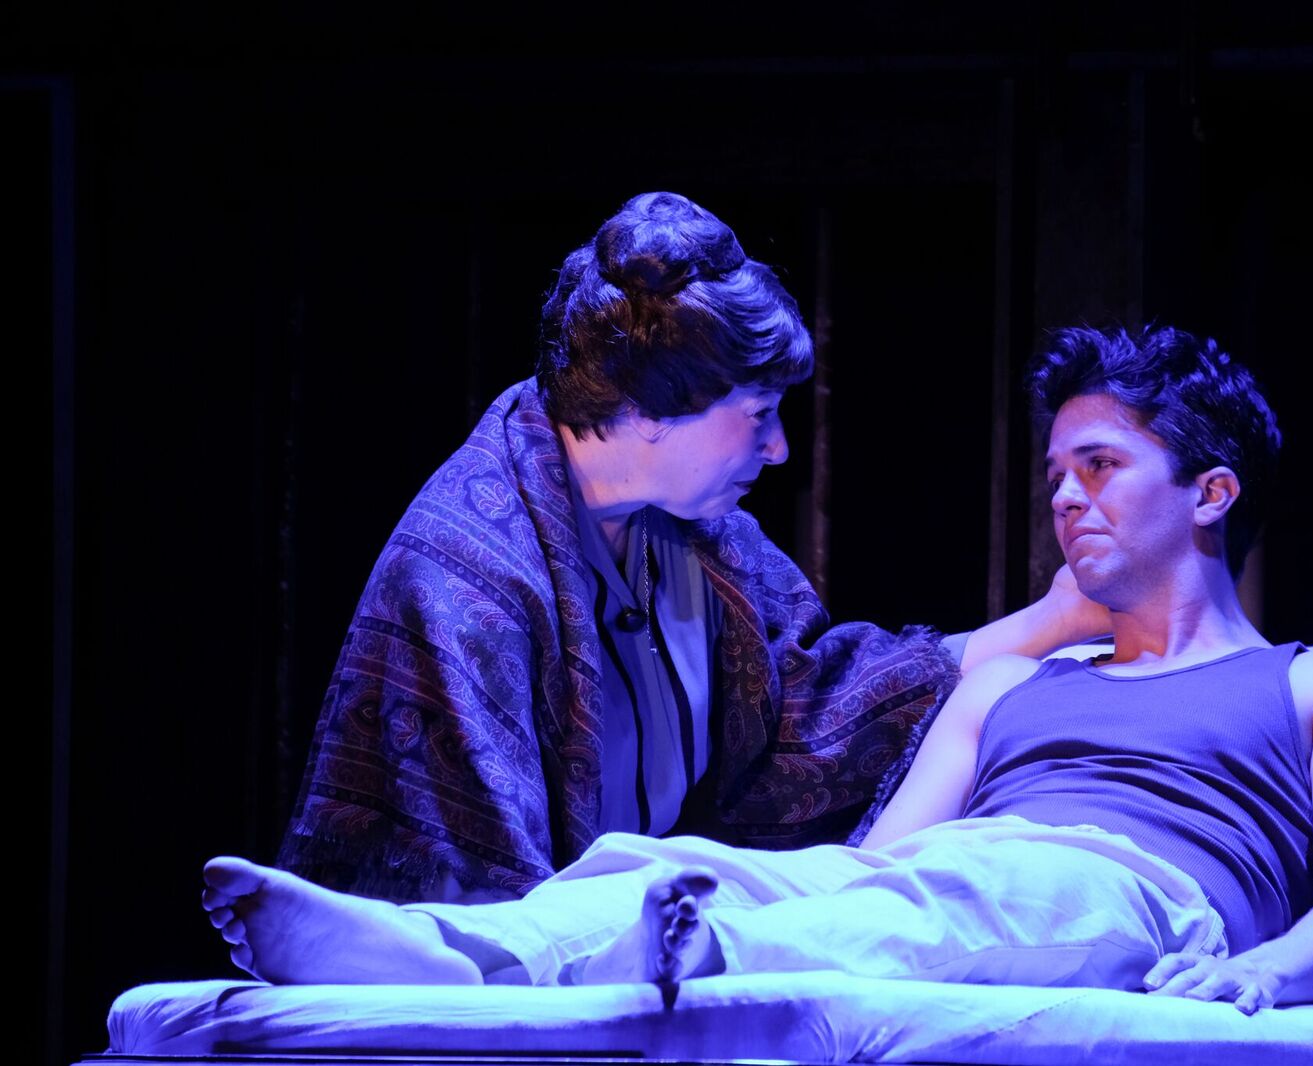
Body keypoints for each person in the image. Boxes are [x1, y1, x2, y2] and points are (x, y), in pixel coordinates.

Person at [206, 325, 1313, 1013]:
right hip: (960, 881)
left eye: (1099, 466)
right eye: (1055, 473)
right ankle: (431, 954)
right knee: (671, 866)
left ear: (1211, 492)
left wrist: (1257, 974)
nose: (1064, 497)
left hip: (1136, 897)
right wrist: (754, 886)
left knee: (981, 896)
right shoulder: (1014, 686)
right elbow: (877, 866)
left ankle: (689, 967)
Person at [279, 191, 1104, 904]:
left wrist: (1056, 620)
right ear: (648, 410)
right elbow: (465, 882)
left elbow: (806, 713)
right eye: (758, 414)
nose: (779, 449)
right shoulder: (467, 583)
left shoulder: (688, 534)